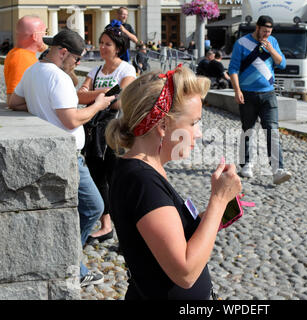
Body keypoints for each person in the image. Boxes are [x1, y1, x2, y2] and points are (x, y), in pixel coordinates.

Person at [105, 66, 242, 300]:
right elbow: (185, 272)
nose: (198, 133)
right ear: (162, 126)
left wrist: (221, 207)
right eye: (193, 123)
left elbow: (172, 236)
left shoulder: (144, 170)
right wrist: (218, 201)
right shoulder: (142, 181)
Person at [7, 29, 115, 287]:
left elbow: (12, 102)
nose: (77, 65)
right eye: (77, 60)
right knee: (94, 208)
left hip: (48, 153)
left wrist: (38, 104)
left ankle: (68, 262)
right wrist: (98, 106)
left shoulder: (33, 70)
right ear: (63, 52)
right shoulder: (59, 77)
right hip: (66, 155)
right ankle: (72, 265)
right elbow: (71, 120)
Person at [77, 27, 136, 244]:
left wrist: (95, 98)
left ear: (118, 48)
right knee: (98, 178)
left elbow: (122, 100)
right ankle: (106, 226)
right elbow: (79, 96)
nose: (102, 47)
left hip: (116, 132)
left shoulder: (126, 69)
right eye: (100, 42)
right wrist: (104, 97)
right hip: (94, 131)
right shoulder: (96, 70)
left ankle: (127, 234)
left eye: (107, 44)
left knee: (118, 181)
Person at [228, 15, 292, 185]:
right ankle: (246, 163)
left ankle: (278, 169)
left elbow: (282, 63)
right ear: (257, 28)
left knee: (272, 130)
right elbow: (233, 68)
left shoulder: (272, 41)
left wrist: (271, 49)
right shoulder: (241, 43)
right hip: (247, 93)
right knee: (247, 129)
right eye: (264, 32)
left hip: (268, 94)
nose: (266, 35)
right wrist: (237, 90)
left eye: (269, 32)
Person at [4, 15, 47, 105]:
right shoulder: (21, 57)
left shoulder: (19, 54)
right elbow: (12, 100)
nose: (46, 35)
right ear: (35, 36)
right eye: (45, 32)